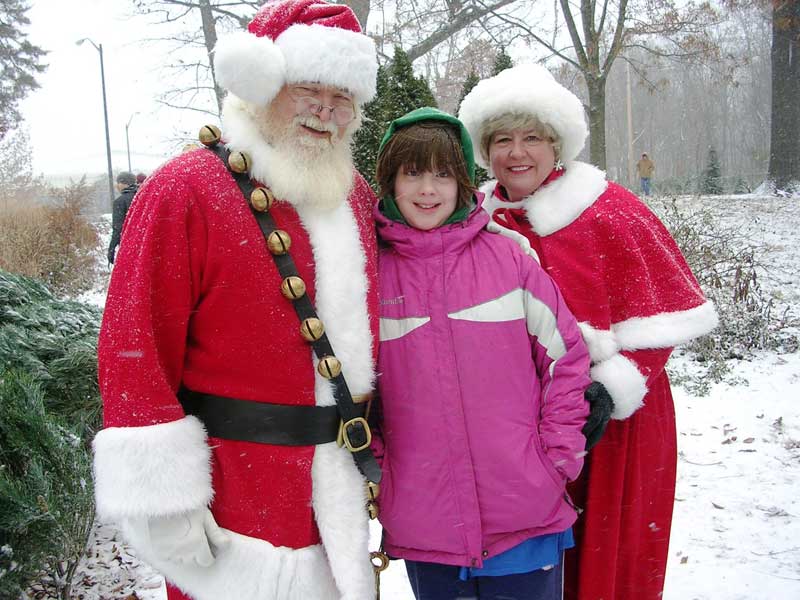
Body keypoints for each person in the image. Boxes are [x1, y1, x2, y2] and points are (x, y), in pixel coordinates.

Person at [91, 2, 382, 599]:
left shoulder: (353, 197)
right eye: (309, 90)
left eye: (343, 97)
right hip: (234, 497)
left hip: (334, 500)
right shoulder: (184, 190)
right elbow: (133, 345)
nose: (327, 111)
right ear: (263, 85)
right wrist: (165, 504)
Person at [458, 65, 718, 600]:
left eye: (532, 137)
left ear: (558, 145)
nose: (517, 152)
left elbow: (655, 325)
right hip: (518, 426)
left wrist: (608, 391)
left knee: (604, 563)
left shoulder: (611, 211)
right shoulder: (475, 220)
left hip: (615, 423)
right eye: (502, 139)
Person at [372, 107, 592, 600]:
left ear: (463, 183)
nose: (428, 190)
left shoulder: (508, 258)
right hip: (425, 521)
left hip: (524, 513)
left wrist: (553, 461)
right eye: (413, 173)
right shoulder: (371, 277)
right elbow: (358, 391)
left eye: (443, 174)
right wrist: (387, 473)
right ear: (390, 181)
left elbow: (566, 359)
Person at [107, 171, 137, 264]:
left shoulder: (120, 202)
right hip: (144, 241)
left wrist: (111, 249)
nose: (117, 186)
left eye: (119, 183)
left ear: (125, 184)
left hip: (129, 244)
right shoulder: (141, 197)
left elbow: (118, 228)